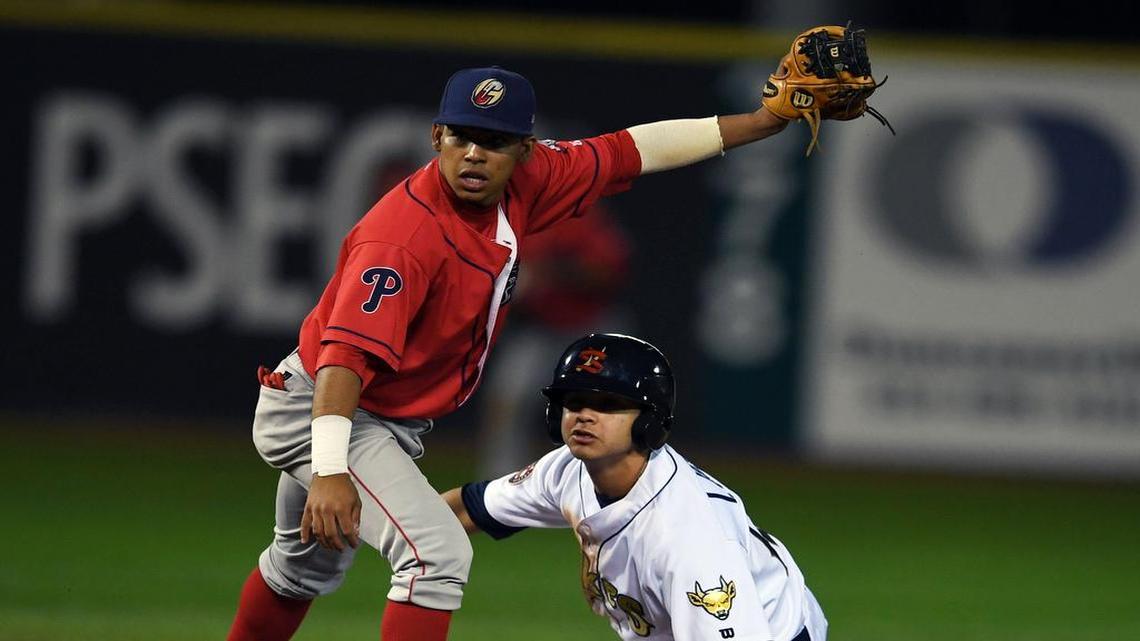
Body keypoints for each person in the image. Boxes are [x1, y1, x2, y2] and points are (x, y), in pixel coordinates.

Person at [226, 66, 791, 641]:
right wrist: (330, 469)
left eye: (493, 142)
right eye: (460, 137)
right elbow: (343, 357)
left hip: (370, 411)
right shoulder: (401, 238)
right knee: (435, 558)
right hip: (327, 409)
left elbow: (632, 150)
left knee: (302, 565)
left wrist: (764, 121)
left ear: (524, 150)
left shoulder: (529, 180)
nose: (474, 154)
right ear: (436, 137)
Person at [444, 333, 827, 641]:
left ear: (649, 422)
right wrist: (390, 519)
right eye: (573, 401)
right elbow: (464, 510)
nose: (584, 416)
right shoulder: (564, 470)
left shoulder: (688, 537)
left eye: (608, 404)